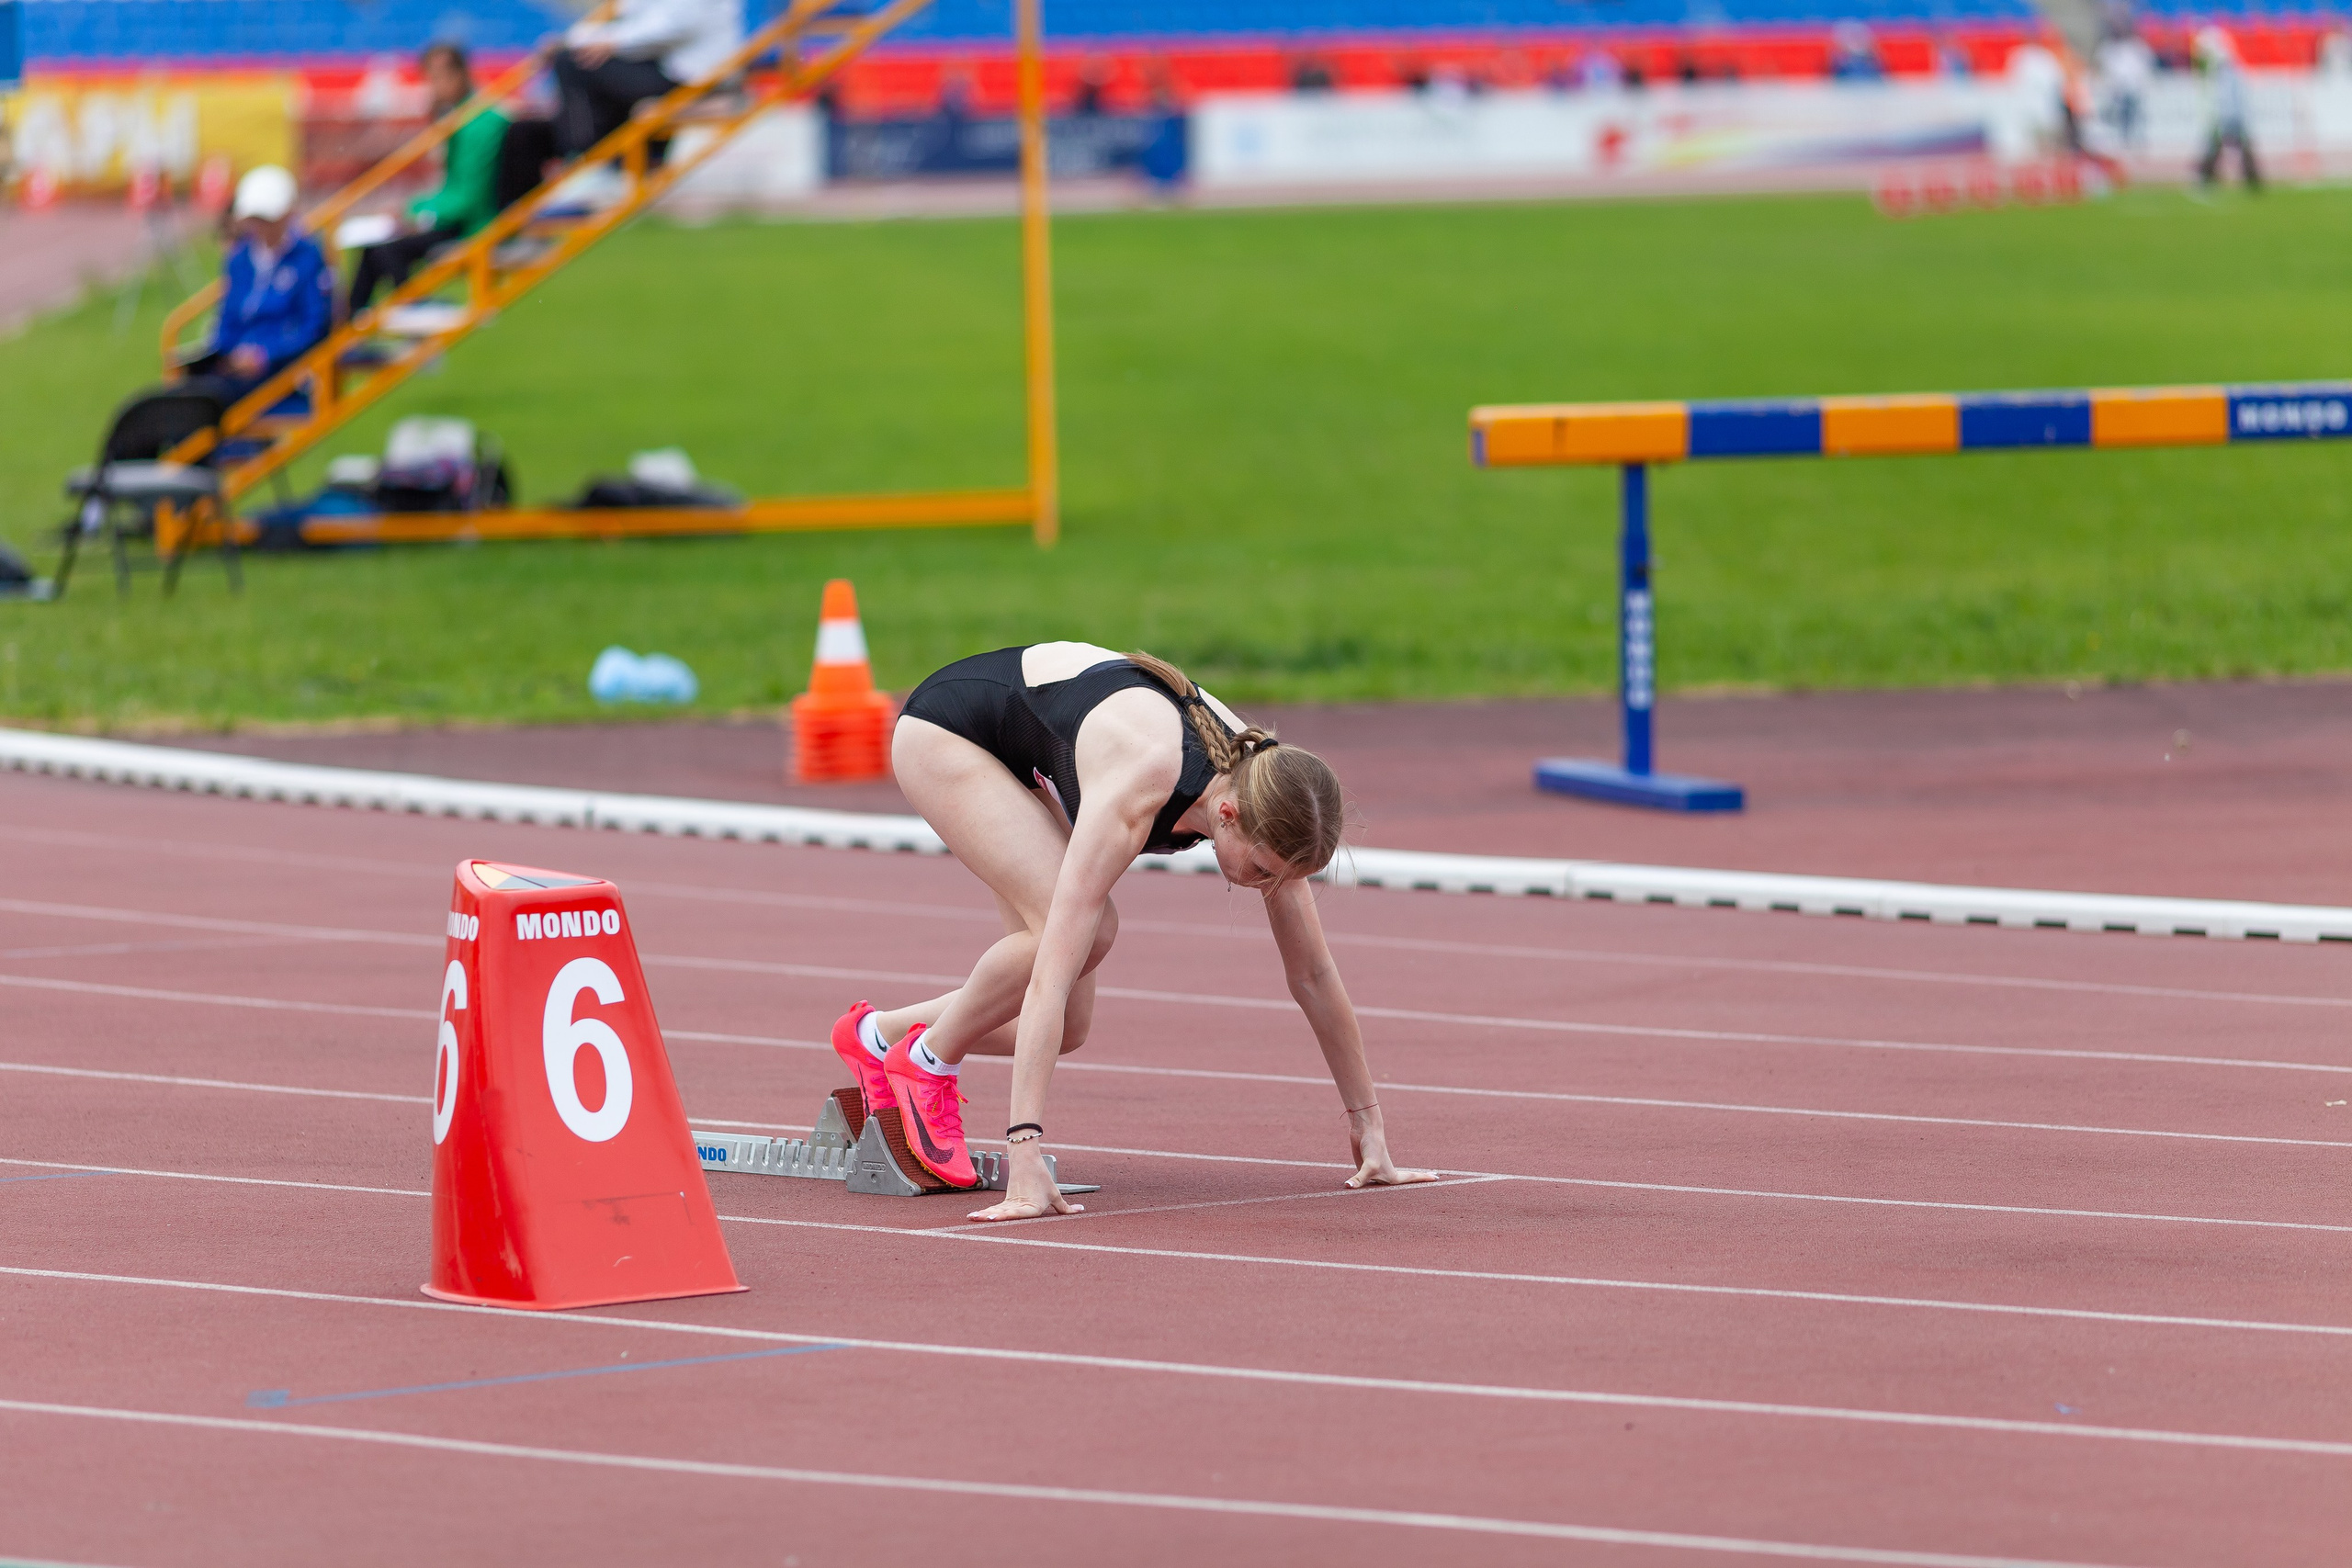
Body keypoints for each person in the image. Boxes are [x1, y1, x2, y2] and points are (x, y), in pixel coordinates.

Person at [831, 643, 1436, 1223]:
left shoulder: (1271, 793)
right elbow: (1048, 978)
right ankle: (928, 1060)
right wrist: (1024, 1152)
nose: (1266, 886)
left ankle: (876, 1038)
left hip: (1029, 744)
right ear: (1226, 815)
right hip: (950, 735)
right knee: (1087, 933)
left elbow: (1312, 974)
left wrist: (1369, 1124)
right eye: (1262, 871)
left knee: (1071, 1028)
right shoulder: (1140, 786)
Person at [346, 42, 509, 315]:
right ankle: (351, 327)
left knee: (385, 251)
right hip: (458, 218)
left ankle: (414, 309)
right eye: (430, 79)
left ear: (460, 74)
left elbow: (469, 198)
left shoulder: (478, 123)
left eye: (437, 78)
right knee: (372, 250)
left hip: (475, 224)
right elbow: (456, 188)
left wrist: (415, 211)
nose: (432, 88)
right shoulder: (461, 118)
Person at [186, 165, 333, 400]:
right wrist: (227, 355)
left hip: (284, 370)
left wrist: (265, 355)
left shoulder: (307, 258)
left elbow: (313, 326)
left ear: (287, 215)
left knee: (203, 400)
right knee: (184, 395)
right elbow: (228, 318)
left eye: (266, 219)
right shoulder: (240, 260)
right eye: (255, 219)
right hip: (235, 368)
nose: (260, 227)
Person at [541, 0, 742, 160]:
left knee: (574, 63)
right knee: (580, 61)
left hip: (698, 80)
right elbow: (626, 19)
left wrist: (607, 41)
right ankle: (609, 159)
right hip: (670, 71)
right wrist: (571, 41)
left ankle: (584, 157)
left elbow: (672, 26)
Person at [2195, 27, 2260, 189]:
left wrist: (2222, 115)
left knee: (2217, 147)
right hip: (2232, 115)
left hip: (2228, 116)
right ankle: (2252, 180)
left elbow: (2227, 98)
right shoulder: (2225, 70)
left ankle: (2206, 178)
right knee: (2236, 148)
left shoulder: (2224, 71)